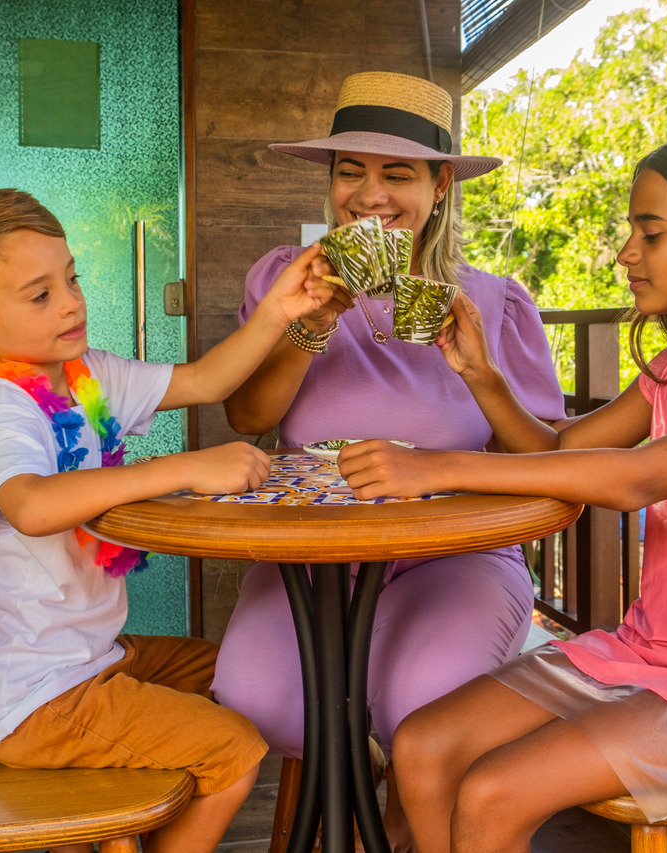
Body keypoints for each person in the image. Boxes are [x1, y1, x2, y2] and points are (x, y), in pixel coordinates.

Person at [336, 129, 667, 853]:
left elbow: (635, 477)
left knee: (493, 790)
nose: (626, 253)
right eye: (631, 232)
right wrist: (481, 375)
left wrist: (436, 465)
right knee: (425, 744)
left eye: (650, 232)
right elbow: (557, 450)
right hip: (645, 652)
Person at [0, 188, 336, 853]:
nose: (72, 301)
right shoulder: (0, 408)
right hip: (34, 699)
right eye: (39, 295)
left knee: (243, 672)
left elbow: (208, 380)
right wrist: (184, 466)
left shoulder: (86, 376)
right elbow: (34, 504)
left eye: (70, 278)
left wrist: (280, 308)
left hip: (91, 659)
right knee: (237, 749)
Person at [212, 71, 567, 846]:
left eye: (397, 173)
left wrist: (478, 370)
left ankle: (404, 809)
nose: (369, 195)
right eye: (351, 171)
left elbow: (543, 453)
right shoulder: (282, 279)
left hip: (455, 552)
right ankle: (371, 788)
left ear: (440, 186)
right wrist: (312, 325)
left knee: (427, 705)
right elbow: (247, 416)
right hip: (309, 547)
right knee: (259, 698)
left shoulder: (495, 302)